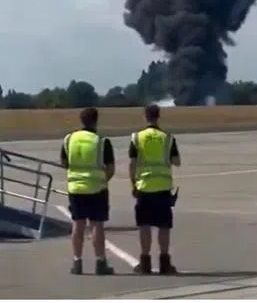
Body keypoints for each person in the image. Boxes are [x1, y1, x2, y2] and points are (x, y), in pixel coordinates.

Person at [60, 107, 116, 276]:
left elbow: (64, 162)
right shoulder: (101, 141)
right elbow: (111, 168)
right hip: (97, 188)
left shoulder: (69, 139)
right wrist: (102, 179)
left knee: (78, 224)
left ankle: (77, 262)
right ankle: (100, 262)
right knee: (97, 225)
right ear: (96, 120)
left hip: (76, 188)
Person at [128, 103, 181, 274]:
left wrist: (133, 184)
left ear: (145, 116)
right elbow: (176, 162)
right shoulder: (168, 138)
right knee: (164, 226)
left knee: (144, 226)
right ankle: (165, 262)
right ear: (159, 116)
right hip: (163, 187)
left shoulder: (137, 138)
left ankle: (145, 262)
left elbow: (132, 164)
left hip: (144, 187)